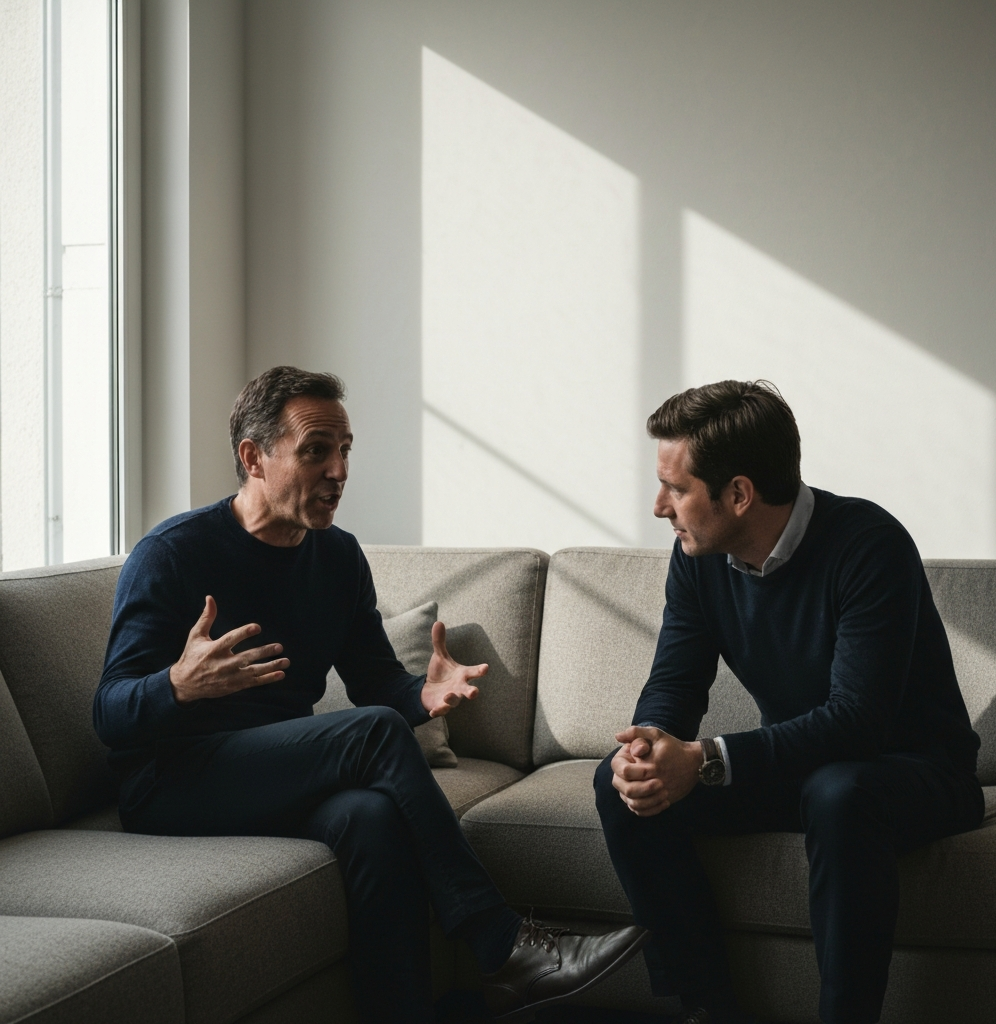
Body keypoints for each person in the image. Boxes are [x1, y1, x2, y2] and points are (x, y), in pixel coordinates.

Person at [94, 365, 646, 1024]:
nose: (338, 470)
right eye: (316, 450)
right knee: (374, 731)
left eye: (345, 449)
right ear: (254, 458)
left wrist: (424, 694)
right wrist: (177, 686)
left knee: (371, 818)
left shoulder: (338, 558)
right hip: (173, 781)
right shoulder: (172, 555)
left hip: (268, 775)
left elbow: (378, 683)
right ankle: (504, 943)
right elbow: (110, 713)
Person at [594, 380, 983, 1024]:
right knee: (623, 789)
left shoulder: (869, 545)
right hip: (810, 768)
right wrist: (652, 745)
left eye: (677, 487)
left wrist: (707, 758)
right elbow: (676, 679)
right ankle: (709, 1009)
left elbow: (857, 719)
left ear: (739, 493)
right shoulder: (697, 555)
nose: (660, 505)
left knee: (839, 792)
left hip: (916, 771)